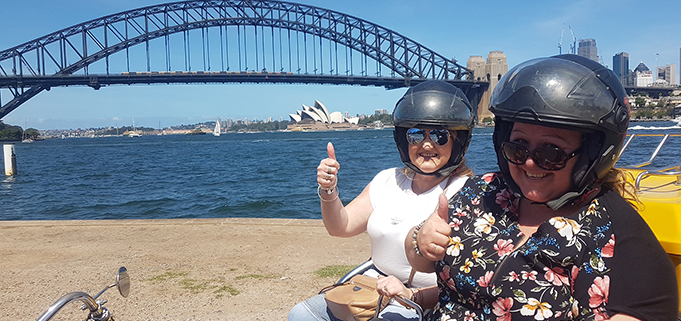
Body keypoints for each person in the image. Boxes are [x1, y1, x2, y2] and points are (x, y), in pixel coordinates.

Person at [406, 55, 679, 320]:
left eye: (551, 153)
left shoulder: (618, 234)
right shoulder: (484, 192)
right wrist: (420, 240)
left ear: (591, 154)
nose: (529, 163)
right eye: (517, 146)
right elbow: (420, 262)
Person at [288, 80, 477, 321]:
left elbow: (468, 284)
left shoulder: (467, 192)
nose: (427, 144)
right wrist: (328, 189)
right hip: (372, 284)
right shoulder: (388, 180)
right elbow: (340, 227)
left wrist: (412, 294)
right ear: (403, 139)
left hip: (423, 297)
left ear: (457, 142)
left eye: (440, 135)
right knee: (301, 315)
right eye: (416, 134)